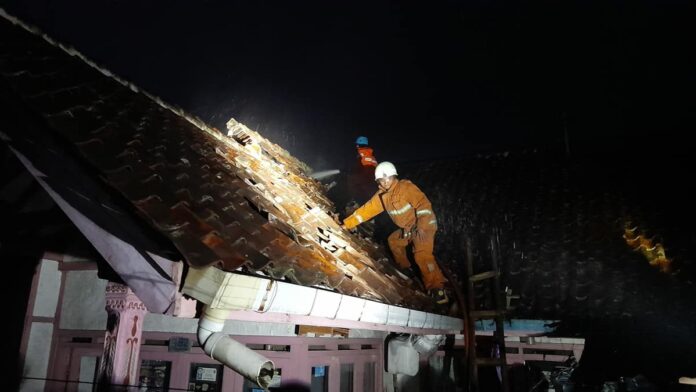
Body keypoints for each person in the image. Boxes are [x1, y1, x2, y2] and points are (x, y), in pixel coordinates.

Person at [341, 161, 449, 304]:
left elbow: (423, 205)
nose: (385, 182)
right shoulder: (382, 196)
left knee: (421, 254)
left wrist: (422, 226)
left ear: (393, 176)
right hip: (409, 229)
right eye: (381, 180)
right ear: (378, 181)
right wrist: (347, 224)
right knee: (394, 241)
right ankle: (406, 269)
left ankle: (437, 289)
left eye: (388, 178)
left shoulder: (405, 187)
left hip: (424, 226)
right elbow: (367, 210)